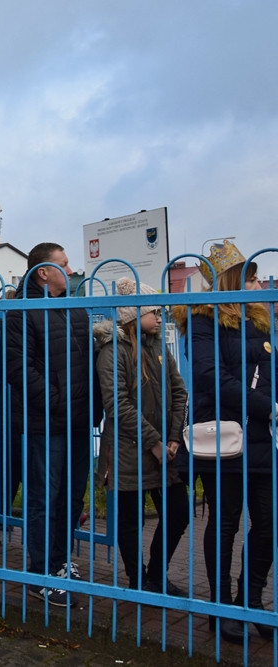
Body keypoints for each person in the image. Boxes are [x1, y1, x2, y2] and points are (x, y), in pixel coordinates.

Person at [173, 240, 275, 644]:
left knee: (268, 523)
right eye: (250, 277)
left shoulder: (261, 319)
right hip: (224, 439)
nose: (258, 283)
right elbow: (211, 377)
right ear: (232, 279)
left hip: (262, 438)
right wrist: (269, 406)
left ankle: (251, 599)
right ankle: (222, 608)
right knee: (226, 522)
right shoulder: (202, 320)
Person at [6, 242, 95, 607]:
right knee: (45, 496)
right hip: (46, 423)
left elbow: (87, 359)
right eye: (64, 264)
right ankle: (41, 571)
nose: (70, 269)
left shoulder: (72, 307)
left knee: (72, 496)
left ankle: (59, 562)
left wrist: (90, 407)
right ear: (43, 272)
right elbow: (19, 369)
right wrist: (58, 402)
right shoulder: (21, 310)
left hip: (78, 421)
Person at [95, 278, 188, 594]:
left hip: (165, 450)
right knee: (130, 522)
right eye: (154, 312)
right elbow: (117, 405)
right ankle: (138, 580)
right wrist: (155, 441)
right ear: (134, 314)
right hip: (127, 451)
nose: (161, 317)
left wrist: (173, 438)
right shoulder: (113, 352)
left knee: (178, 514)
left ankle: (156, 575)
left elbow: (179, 390)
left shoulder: (158, 346)